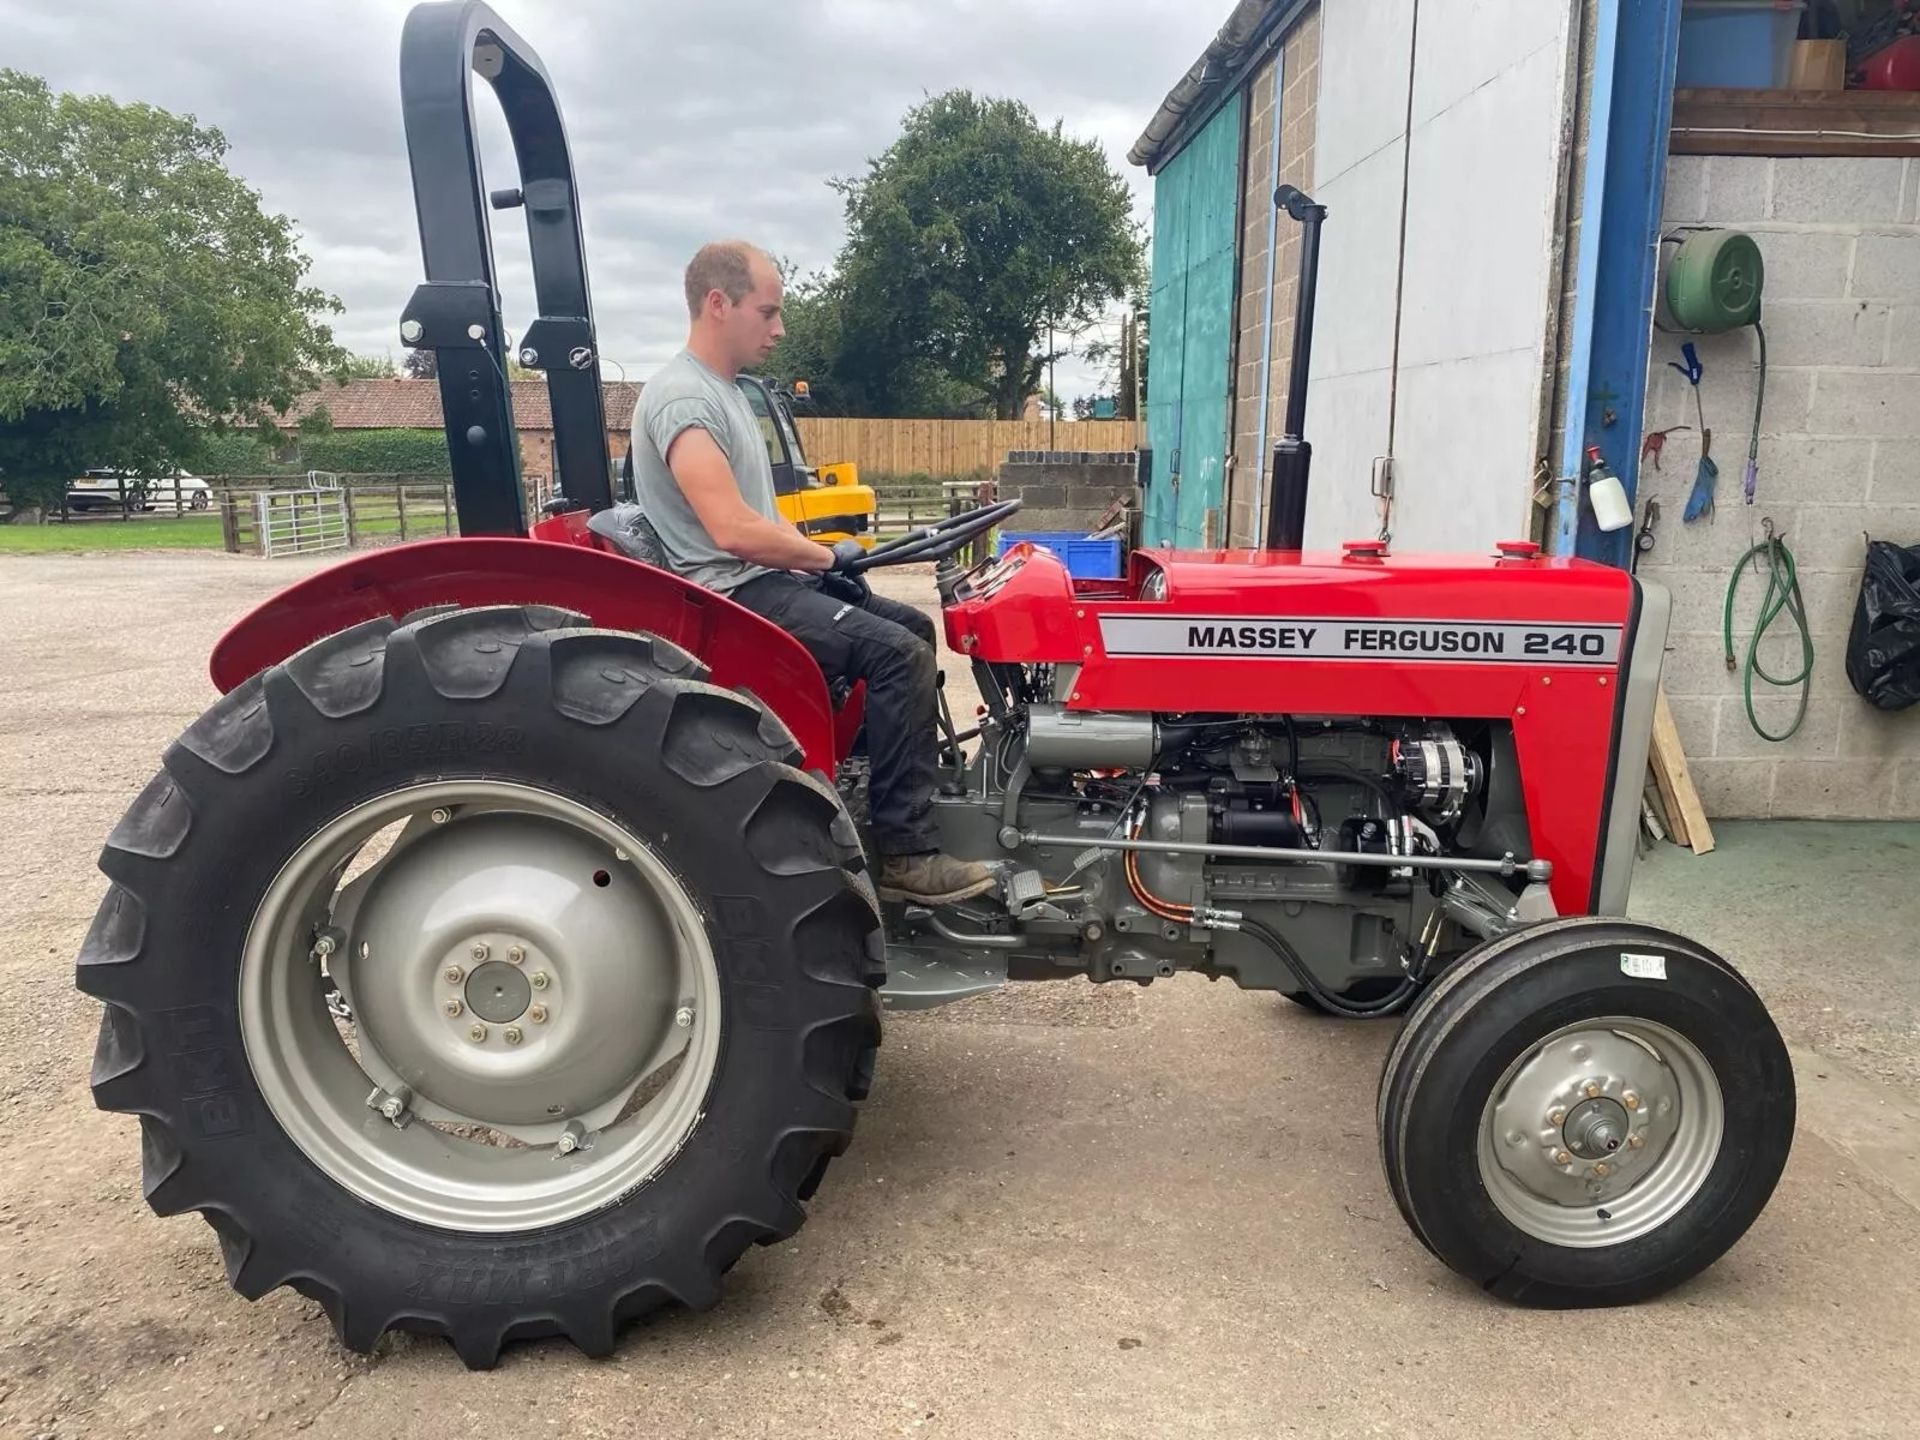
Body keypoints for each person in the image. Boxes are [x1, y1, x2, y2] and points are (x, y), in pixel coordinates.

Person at [629, 240, 996, 906]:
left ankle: (884, 785)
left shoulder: (728, 391)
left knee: (911, 625)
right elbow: (731, 530)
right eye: (767, 313)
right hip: (731, 593)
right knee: (897, 655)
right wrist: (826, 556)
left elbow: (756, 518)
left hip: (759, 579)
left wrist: (821, 562)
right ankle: (907, 855)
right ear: (719, 304)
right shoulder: (683, 399)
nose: (780, 329)